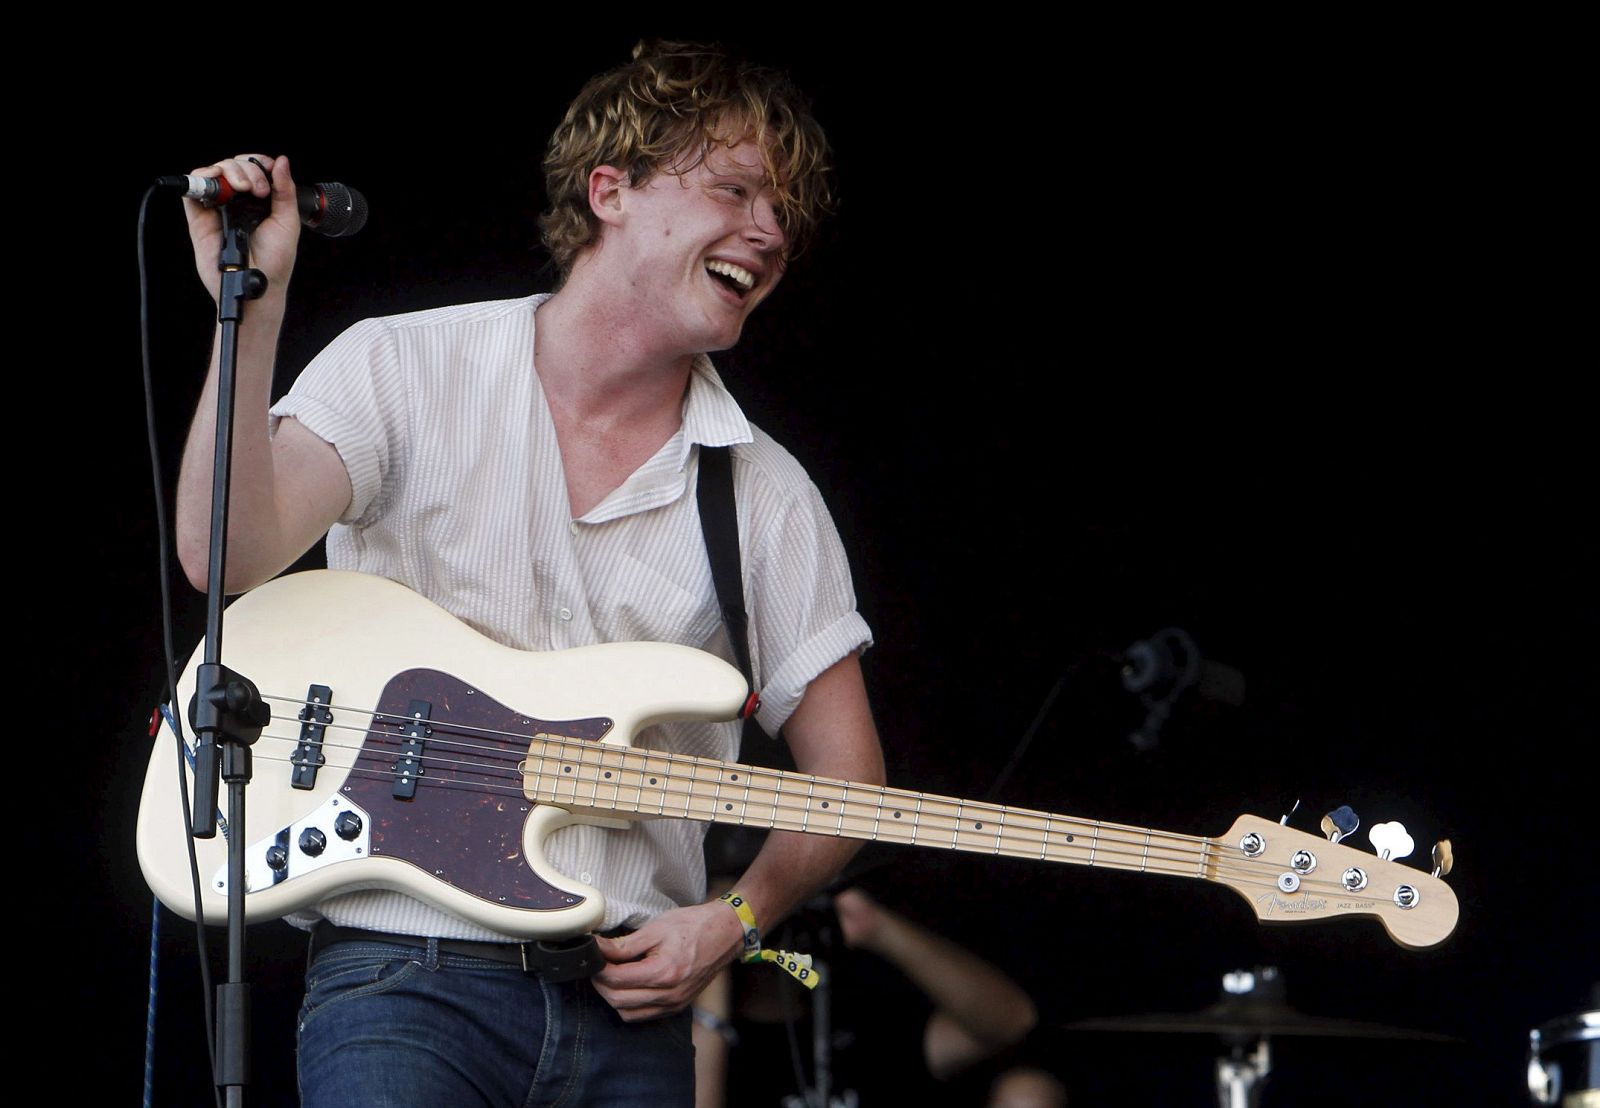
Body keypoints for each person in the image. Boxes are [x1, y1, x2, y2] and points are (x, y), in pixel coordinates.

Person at [175, 41, 885, 1107]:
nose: (771, 232)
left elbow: (848, 779)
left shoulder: (764, 491)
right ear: (611, 190)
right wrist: (256, 306)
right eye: (737, 191)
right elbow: (223, 555)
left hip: (626, 1008)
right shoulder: (404, 366)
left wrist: (733, 922)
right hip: (398, 973)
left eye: (785, 213)